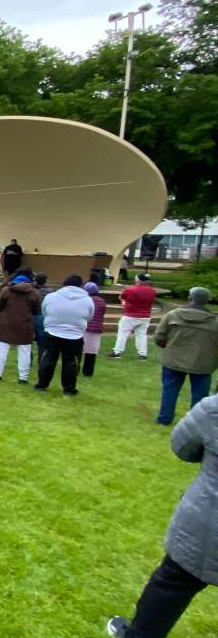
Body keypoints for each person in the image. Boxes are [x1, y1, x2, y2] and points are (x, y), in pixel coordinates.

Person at [106, 394, 218, 638]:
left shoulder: (213, 409)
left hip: (207, 526)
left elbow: (183, 446)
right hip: (207, 526)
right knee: (173, 583)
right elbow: (182, 445)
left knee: (171, 584)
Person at [153, 287, 218, 426]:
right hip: (203, 363)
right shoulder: (215, 321)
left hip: (174, 359)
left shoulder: (172, 315)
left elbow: (159, 337)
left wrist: (170, 347)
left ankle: (164, 419)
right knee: (200, 395)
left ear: (190, 298)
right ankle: (196, 424)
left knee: (170, 390)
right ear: (208, 301)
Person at [34, 275, 94, 395]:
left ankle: (42, 385)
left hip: (52, 331)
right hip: (75, 335)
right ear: (80, 285)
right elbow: (89, 316)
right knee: (71, 362)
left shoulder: (52, 297)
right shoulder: (87, 300)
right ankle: (69, 388)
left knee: (48, 358)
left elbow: (45, 311)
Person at [0, 273, 40, 383]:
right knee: (25, 352)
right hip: (25, 325)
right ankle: (23, 378)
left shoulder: (6, 290)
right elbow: (37, 311)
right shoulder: (35, 293)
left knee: (1, 351)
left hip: (5, 323)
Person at [111, 273, 157, 361]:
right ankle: (143, 355)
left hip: (130, 315)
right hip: (145, 316)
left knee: (123, 334)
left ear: (137, 279)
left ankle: (117, 352)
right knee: (141, 335)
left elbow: (122, 297)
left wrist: (124, 302)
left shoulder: (131, 289)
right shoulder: (152, 291)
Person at [82, 282, 107, 377]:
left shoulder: (84, 300)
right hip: (96, 329)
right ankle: (88, 372)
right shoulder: (102, 301)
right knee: (91, 352)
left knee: (78, 350)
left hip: (84, 327)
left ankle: (75, 370)